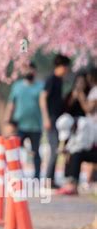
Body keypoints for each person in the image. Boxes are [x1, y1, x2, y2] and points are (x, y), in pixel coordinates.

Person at [55, 69, 97, 195]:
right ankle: (71, 182)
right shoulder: (73, 94)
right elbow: (66, 108)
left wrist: (80, 96)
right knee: (74, 153)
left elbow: (88, 109)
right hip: (78, 129)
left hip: (88, 131)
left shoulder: (91, 92)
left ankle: (73, 183)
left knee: (75, 151)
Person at [4, 62, 44, 180]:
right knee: (15, 151)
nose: (29, 72)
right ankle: (14, 174)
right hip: (19, 125)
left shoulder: (40, 86)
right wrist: (7, 119)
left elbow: (43, 105)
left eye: (31, 70)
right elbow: (11, 104)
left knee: (36, 152)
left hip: (36, 125)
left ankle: (36, 176)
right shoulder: (17, 86)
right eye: (27, 69)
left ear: (35, 72)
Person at [39, 54, 71, 188]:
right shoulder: (51, 79)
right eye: (66, 67)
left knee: (57, 148)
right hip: (51, 119)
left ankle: (51, 180)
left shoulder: (60, 80)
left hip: (58, 119)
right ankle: (48, 180)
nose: (67, 70)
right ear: (61, 66)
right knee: (54, 149)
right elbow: (42, 98)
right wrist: (46, 118)